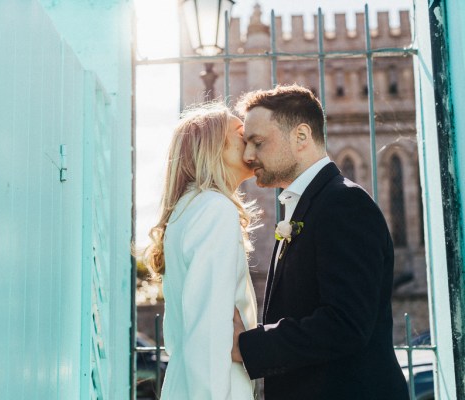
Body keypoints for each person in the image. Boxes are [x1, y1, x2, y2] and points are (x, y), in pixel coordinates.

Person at [231, 84, 409, 400]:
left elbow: (346, 323)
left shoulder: (344, 204)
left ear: (301, 137)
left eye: (258, 143)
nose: (248, 156)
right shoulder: (311, 203)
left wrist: (248, 346)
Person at [144, 102, 259, 399]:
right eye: (241, 133)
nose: (252, 140)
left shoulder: (188, 209)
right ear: (214, 146)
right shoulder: (214, 210)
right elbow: (208, 330)